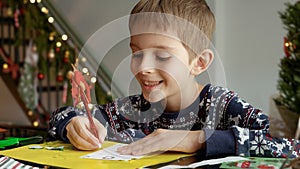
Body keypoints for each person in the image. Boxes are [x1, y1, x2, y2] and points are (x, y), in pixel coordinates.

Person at [48, 0, 300, 158]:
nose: (143, 67)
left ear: (199, 62)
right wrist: (74, 124)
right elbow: (61, 115)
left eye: (162, 55)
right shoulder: (130, 109)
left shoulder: (222, 105)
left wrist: (194, 140)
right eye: (137, 52)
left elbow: (290, 145)